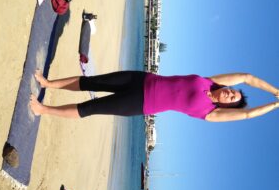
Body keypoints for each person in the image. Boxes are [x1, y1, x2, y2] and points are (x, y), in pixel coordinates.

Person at [30, 69, 279, 122]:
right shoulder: (213, 81)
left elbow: (248, 114)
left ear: (229, 106)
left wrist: (275, 103)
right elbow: (247, 77)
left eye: (232, 98)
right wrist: (275, 89)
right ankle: (48, 83)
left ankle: (44, 110)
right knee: (91, 81)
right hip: (141, 78)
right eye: (233, 91)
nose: (230, 93)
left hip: (140, 102)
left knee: (90, 109)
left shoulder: (210, 113)